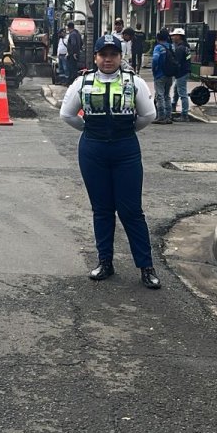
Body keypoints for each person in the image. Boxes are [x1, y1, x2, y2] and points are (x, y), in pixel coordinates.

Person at [59, 34, 161, 289]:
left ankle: (146, 266)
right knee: (102, 209)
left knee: (131, 211)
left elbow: (148, 115)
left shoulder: (133, 82)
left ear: (120, 56)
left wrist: (125, 131)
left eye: (113, 54)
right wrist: (89, 130)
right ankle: (105, 262)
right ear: (95, 57)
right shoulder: (82, 82)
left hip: (125, 149)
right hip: (93, 150)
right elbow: (67, 114)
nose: (108, 59)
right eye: (103, 54)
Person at [150, 29, 174, 124]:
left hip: (160, 74)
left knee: (160, 96)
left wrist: (154, 69)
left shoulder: (158, 47)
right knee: (167, 95)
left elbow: (155, 59)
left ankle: (161, 116)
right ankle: (169, 116)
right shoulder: (171, 47)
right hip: (170, 74)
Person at [169, 28, 191, 121]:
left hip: (181, 72)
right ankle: (173, 105)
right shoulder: (186, 47)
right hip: (185, 71)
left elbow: (176, 62)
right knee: (176, 89)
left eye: (174, 36)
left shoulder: (180, 49)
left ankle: (184, 114)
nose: (173, 37)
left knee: (182, 93)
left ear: (179, 36)